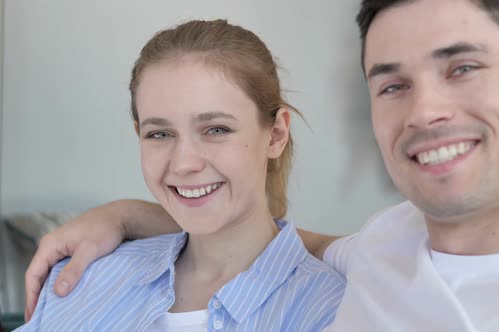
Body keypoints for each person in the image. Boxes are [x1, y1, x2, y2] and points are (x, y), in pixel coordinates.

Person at [25, 0, 499, 331]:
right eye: (392, 84)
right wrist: (125, 216)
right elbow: (257, 241)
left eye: (463, 67)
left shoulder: (333, 296)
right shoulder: (381, 250)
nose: (425, 111)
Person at [18, 19, 345, 331]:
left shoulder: (336, 308)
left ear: (275, 134)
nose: (183, 163)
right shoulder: (82, 279)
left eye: (216, 129)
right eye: (160, 134)